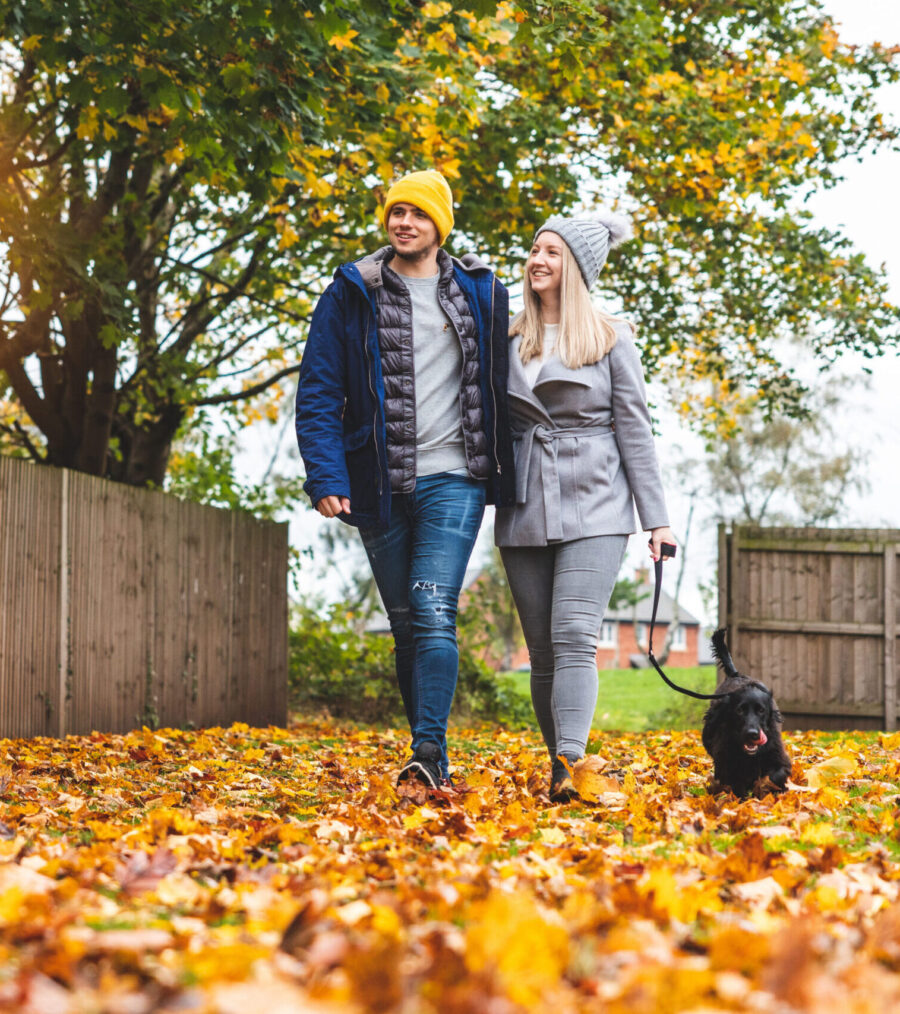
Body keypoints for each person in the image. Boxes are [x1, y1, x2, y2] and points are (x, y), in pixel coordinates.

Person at [295, 169, 515, 789]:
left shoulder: (480, 291)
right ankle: (428, 749)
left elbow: (509, 377)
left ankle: (428, 750)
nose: (404, 223)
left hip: (457, 477)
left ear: (439, 225)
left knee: (432, 608)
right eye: (397, 212)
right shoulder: (351, 292)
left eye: (418, 213)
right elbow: (319, 392)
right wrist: (326, 476)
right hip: (378, 482)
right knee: (404, 625)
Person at [494, 210, 675, 803]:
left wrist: (657, 520)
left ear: (576, 268)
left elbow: (636, 430)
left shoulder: (610, 337)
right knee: (542, 651)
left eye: (552, 252)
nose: (538, 260)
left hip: (596, 499)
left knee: (574, 633)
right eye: (534, 250)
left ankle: (572, 762)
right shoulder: (508, 337)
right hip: (524, 499)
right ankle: (560, 768)